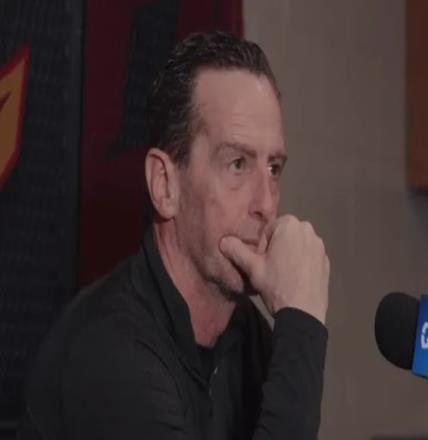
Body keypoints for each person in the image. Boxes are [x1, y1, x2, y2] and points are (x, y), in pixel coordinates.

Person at [18, 31, 330, 440]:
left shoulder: (250, 340)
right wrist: (302, 322)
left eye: (273, 168)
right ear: (165, 185)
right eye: (237, 164)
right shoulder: (107, 351)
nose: (266, 203)